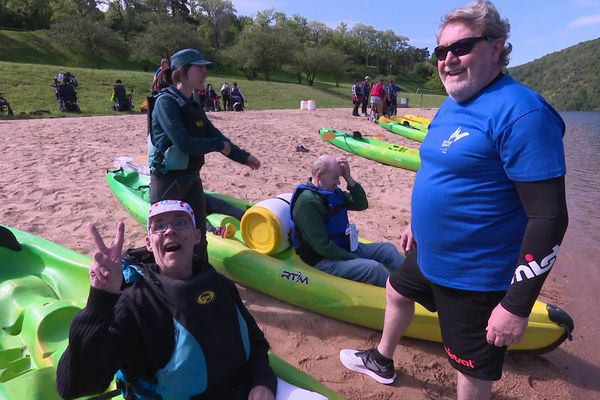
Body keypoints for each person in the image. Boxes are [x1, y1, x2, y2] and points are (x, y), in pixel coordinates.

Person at [340, 1, 568, 399]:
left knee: (470, 375)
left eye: (461, 48)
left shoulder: (522, 113)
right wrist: (416, 222)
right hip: (431, 254)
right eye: (441, 52)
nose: (448, 60)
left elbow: (549, 218)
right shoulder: (454, 104)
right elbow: (439, 170)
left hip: (475, 276)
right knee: (396, 290)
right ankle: (382, 359)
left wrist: (515, 306)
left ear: (497, 47)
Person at [56, 200, 326, 400]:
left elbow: (255, 342)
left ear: (197, 236)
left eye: (179, 222)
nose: (169, 231)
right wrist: (101, 299)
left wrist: (262, 381)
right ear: (149, 244)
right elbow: (74, 385)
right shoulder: (135, 304)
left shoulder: (219, 284)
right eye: (158, 226)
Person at [148, 48, 261, 262]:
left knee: (198, 236)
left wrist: (244, 157)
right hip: (167, 182)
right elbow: (184, 142)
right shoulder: (166, 102)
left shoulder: (192, 103)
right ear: (182, 71)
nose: (205, 74)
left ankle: (200, 277)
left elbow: (215, 135)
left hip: (191, 180)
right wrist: (217, 145)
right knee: (167, 240)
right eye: (199, 69)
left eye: (205, 69)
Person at [290, 155, 404, 287]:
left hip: (343, 247)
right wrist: (355, 258)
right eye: (335, 178)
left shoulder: (331, 192)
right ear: (320, 175)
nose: (338, 182)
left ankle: (415, 280)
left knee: (388, 250)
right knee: (374, 268)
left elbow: (361, 204)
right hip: (322, 258)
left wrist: (349, 179)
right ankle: (401, 295)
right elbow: (322, 246)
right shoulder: (307, 202)